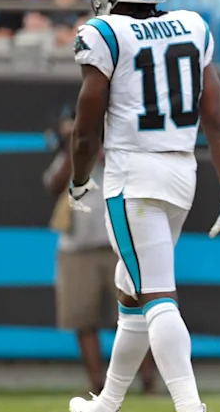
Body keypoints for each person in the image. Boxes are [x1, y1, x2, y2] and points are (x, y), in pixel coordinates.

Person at [66, 0, 220, 412]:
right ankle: (106, 409)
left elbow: (86, 132)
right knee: (133, 290)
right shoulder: (193, 26)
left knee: (157, 297)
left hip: (132, 175)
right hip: (180, 173)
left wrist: (79, 179)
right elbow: (216, 122)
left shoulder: (104, 33)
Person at [43, 105, 157, 395]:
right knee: (83, 319)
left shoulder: (121, 154)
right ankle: (97, 383)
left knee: (139, 314)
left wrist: (102, 146)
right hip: (78, 247)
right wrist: (77, 148)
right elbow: (54, 185)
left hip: (121, 245)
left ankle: (147, 381)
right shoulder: (69, 156)